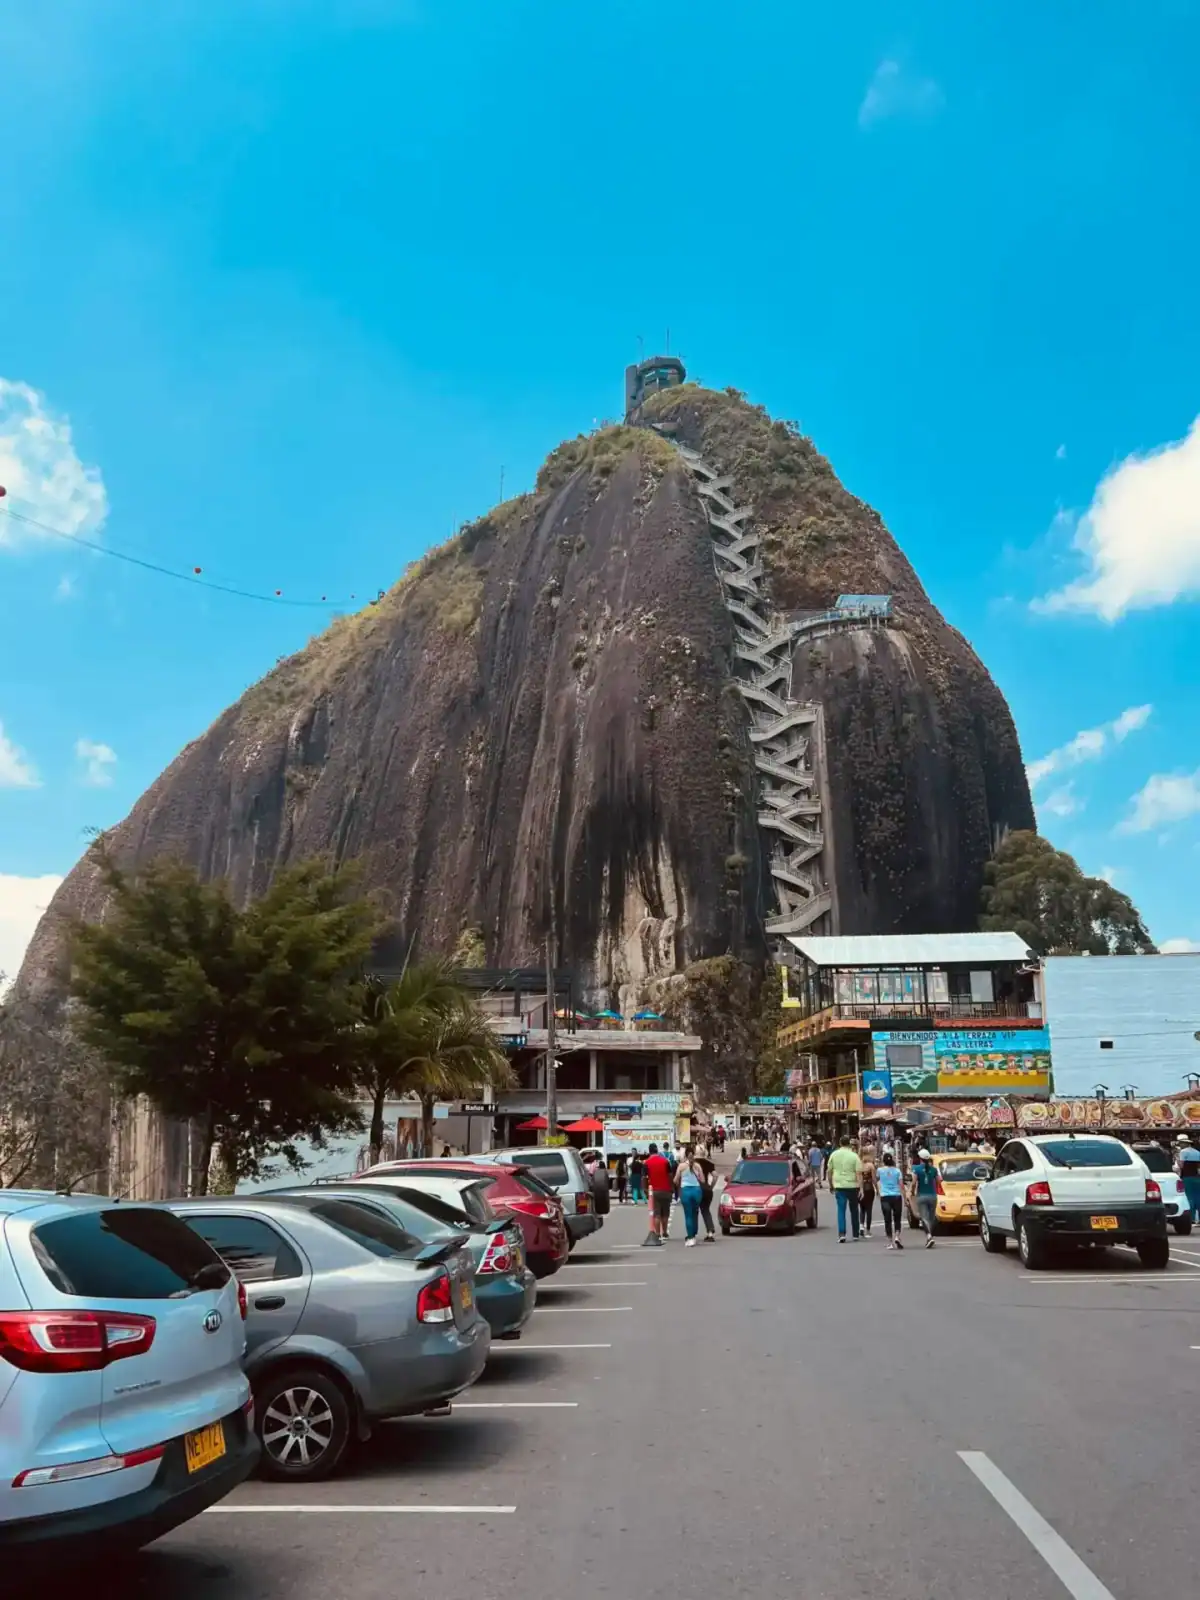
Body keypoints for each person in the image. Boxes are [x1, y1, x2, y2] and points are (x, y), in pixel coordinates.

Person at [826, 1136, 863, 1242]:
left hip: (839, 1185)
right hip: (853, 1186)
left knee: (841, 1210)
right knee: (854, 1210)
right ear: (849, 1144)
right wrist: (861, 1188)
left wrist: (831, 1185)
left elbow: (829, 1171)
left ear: (840, 1143)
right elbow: (859, 1173)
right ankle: (855, 1234)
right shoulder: (854, 1156)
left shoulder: (834, 1154)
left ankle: (842, 1234)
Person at [674, 1145, 707, 1247]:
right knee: (695, 1212)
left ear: (685, 1155)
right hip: (697, 1191)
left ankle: (690, 1237)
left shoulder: (681, 1166)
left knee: (688, 1215)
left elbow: (675, 1180)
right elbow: (703, 1180)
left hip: (686, 1191)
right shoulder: (697, 1166)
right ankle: (694, 1233)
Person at [642, 1142, 673, 1246]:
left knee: (657, 1214)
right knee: (665, 1213)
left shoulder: (646, 1163)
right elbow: (670, 1175)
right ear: (657, 1150)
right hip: (666, 1190)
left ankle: (658, 1234)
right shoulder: (665, 1161)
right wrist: (672, 1188)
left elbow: (644, 1178)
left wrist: (645, 1189)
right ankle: (665, 1232)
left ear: (649, 1151)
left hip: (654, 1191)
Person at [908, 1148, 939, 1247]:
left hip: (921, 1195)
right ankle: (930, 1236)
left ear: (920, 1158)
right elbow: (939, 1180)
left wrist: (911, 1192)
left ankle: (929, 1236)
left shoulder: (916, 1169)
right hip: (933, 1196)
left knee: (924, 1218)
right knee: (931, 1218)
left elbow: (913, 1182)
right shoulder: (934, 1170)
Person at [877, 1151, 905, 1249]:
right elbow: (901, 1185)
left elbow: (876, 1180)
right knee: (897, 1218)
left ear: (883, 1161)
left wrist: (878, 1190)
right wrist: (904, 1197)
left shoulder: (880, 1170)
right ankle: (897, 1236)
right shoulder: (897, 1171)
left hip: (885, 1196)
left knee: (887, 1219)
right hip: (896, 1196)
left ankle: (890, 1242)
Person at [694, 1148, 717, 1241]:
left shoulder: (692, 1163)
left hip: (695, 1188)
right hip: (707, 1189)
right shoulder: (709, 1163)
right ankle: (710, 1232)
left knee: (694, 1212)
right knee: (706, 1211)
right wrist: (711, 1186)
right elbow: (715, 1175)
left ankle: (693, 1233)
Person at [1177, 1136, 1200, 1221]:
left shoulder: (1183, 1152)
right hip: (1197, 1177)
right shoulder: (1197, 1152)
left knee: (1189, 1197)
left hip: (1187, 1177)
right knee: (1198, 1197)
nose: (1180, 1145)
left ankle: (1192, 1218)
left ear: (1186, 1144)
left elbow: (1181, 1165)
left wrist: (1178, 1162)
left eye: (1181, 1143)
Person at [858, 1142, 878, 1237]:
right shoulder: (870, 1165)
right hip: (869, 1187)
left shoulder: (858, 1164)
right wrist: (877, 1189)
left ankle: (861, 1226)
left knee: (862, 1208)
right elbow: (874, 1179)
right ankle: (868, 1230)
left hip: (860, 1189)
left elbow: (857, 1178)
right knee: (869, 1209)